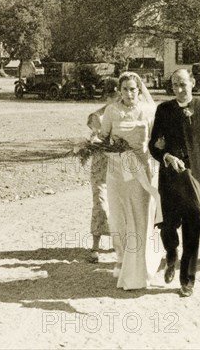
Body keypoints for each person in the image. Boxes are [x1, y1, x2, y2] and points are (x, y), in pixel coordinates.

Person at [149, 69, 200, 297]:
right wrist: (166, 156)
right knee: (168, 225)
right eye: (175, 85)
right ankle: (171, 253)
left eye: (183, 84)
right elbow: (153, 145)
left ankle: (187, 280)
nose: (179, 89)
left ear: (193, 83)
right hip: (171, 179)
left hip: (198, 180)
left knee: (193, 230)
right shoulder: (163, 110)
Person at [100, 72, 162, 290]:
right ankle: (121, 257)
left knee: (140, 215)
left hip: (140, 170)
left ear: (139, 89)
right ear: (120, 90)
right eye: (124, 89)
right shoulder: (112, 110)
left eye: (132, 89)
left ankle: (142, 265)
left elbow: (156, 141)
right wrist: (111, 149)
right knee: (119, 215)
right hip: (117, 171)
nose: (129, 93)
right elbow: (102, 138)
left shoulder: (149, 111)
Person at [86, 78, 119, 263]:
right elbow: (98, 140)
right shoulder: (96, 117)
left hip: (120, 164)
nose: (115, 99)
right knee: (100, 201)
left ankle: (118, 239)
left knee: (119, 203)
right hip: (101, 164)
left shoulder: (123, 114)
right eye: (113, 95)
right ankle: (95, 245)